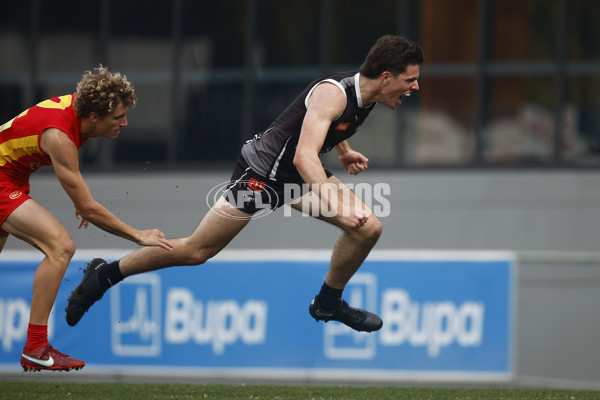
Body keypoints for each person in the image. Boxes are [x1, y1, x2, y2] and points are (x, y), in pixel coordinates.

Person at [66, 35, 423, 333]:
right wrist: (339, 208)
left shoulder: (368, 95)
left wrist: (343, 151)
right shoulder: (336, 92)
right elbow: (304, 157)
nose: (415, 87)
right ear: (387, 76)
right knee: (196, 252)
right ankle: (104, 275)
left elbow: (324, 127)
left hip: (294, 177)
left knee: (369, 228)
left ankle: (328, 302)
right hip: (262, 174)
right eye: (411, 80)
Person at [0, 65, 173, 372]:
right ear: (95, 116)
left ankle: (35, 347)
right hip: (4, 179)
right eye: (118, 117)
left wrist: (80, 199)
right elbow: (90, 208)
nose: (125, 122)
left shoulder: (81, 112)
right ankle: (36, 347)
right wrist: (138, 235)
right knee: (61, 247)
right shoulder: (61, 135)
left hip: (13, 177)